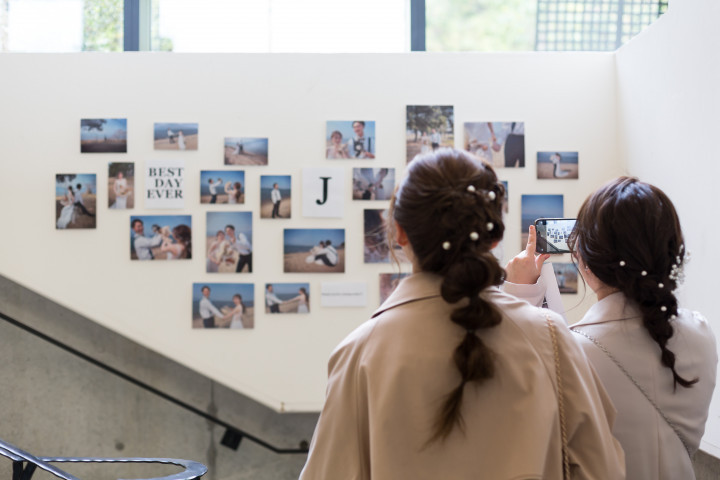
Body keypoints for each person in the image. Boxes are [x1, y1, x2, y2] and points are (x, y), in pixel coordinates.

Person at [300, 148, 624, 479]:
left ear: (398, 233)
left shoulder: (359, 354)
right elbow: (602, 470)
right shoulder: (551, 339)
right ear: (495, 235)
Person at [505, 177, 717, 480]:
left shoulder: (569, 352)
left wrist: (517, 293)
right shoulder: (701, 333)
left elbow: (509, 411)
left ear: (586, 263)